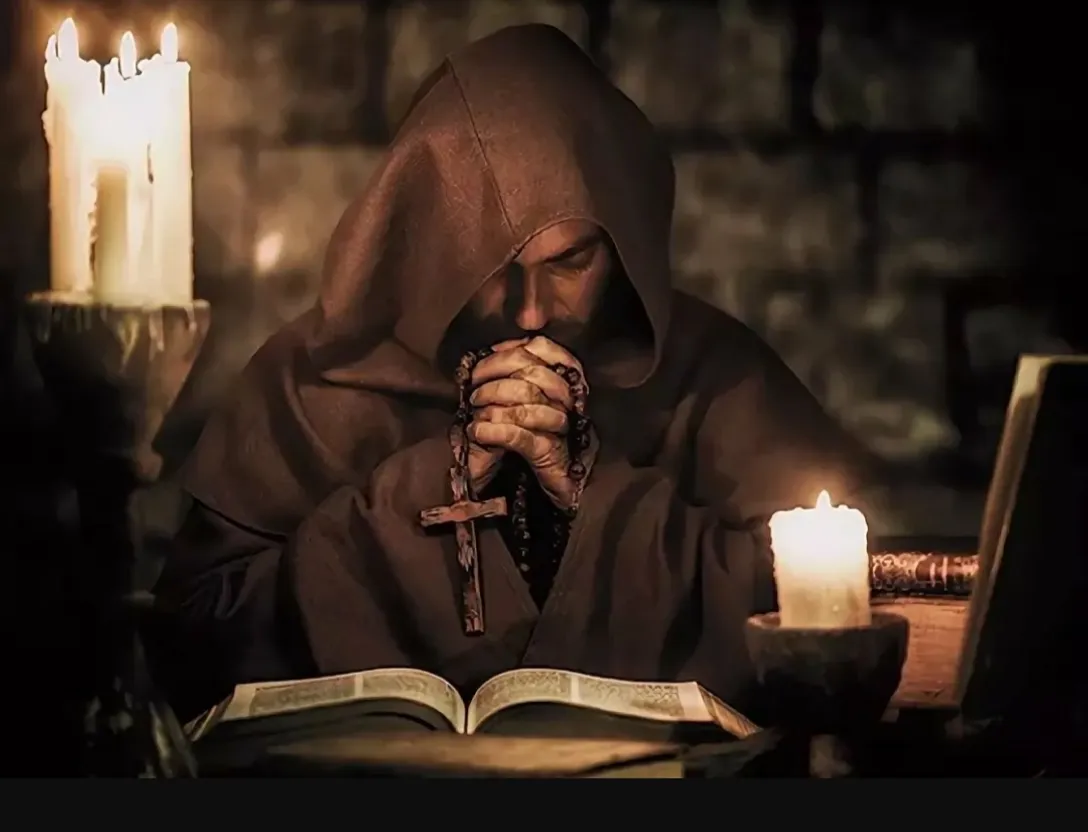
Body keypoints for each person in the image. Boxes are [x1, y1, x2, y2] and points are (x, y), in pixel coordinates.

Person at [151, 24, 879, 722]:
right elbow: (192, 649)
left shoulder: (714, 376)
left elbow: (833, 612)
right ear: (432, 247)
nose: (531, 313)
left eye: (570, 262)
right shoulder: (313, 382)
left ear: (619, 244)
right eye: (494, 270)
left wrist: (593, 497)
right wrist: (428, 491)